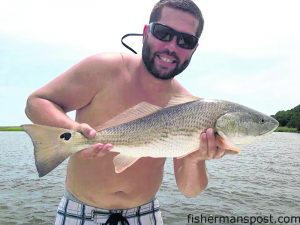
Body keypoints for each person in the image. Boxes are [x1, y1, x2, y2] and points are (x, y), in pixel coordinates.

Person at [25, 0, 225, 224]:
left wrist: (196, 159)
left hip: (146, 215)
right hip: (80, 213)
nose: (172, 47)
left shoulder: (189, 108)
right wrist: (72, 130)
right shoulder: (103, 69)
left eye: (186, 40)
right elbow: (36, 102)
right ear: (146, 32)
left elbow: (190, 190)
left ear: (194, 49)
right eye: (163, 33)